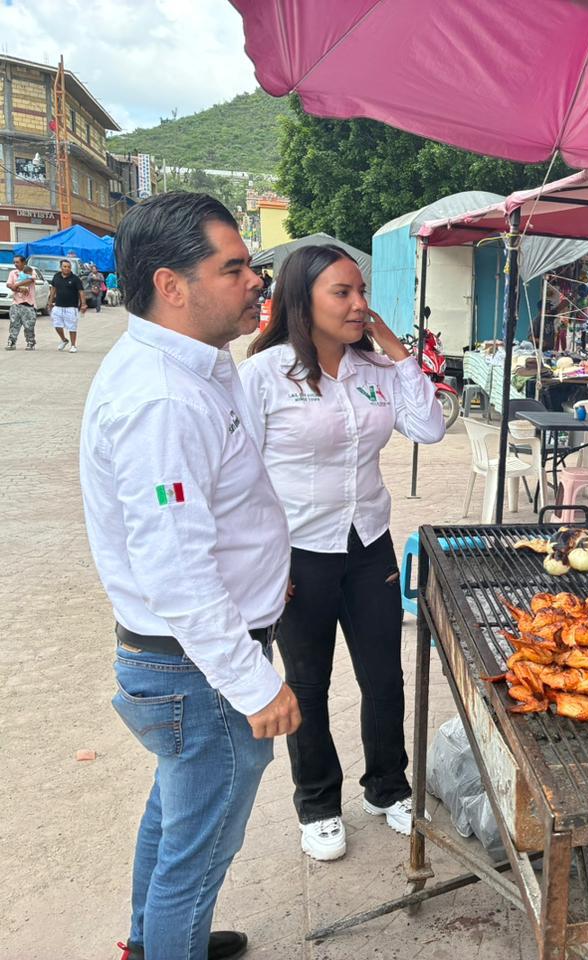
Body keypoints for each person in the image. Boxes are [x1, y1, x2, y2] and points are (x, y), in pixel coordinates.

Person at [80, 192, 300, 960]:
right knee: (198, 851)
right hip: (196, 668)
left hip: (189, 656)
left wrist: (266, 576)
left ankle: (154, 944)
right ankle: (172, 942)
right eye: (233, 268)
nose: (254, 280)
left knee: (175, 816)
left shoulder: (192, 365)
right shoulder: (163, 398)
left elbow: (217, 511)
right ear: (171, 285)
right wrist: (253, 684)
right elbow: (174, 569)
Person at [241, 244, 447, 862]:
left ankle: (388, 787)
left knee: (384, 675)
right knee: (308, 683)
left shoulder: (376, 370)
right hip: (297, 552)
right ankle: (318, 804)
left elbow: (430, 428)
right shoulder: (265, 375)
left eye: (363, 292)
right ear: (302, 301)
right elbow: (240, 478)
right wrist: (261, 564)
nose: (359, 304)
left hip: (368, 542)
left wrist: (399, 352)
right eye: (342, 293)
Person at [48, 259, 86, 352]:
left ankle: (73, 345)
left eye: (69, 267)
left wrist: (83, 304)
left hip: (71, 307)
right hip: (58, 306)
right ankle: (64, 340)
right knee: (57, 325)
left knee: (72, 327)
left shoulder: (75, 279)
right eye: (65, 267)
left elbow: (81, 291)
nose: (67, 268)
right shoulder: (56, 276)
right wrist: (50, 302)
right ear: (60, 267)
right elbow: (53, 289)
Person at [6, 253, 38, 350]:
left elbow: (30, 280)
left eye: (17, 262)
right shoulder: (13, 273)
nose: (15, 264)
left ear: (24, 262)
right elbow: (9, 284)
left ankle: (30, 342)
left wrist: (16, 285)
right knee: (14, 324)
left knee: (29, 326)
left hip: (28, 304)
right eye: (14, 262)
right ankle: (11, 342)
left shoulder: (30, 270)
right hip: (16, 303)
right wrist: (15, 288)